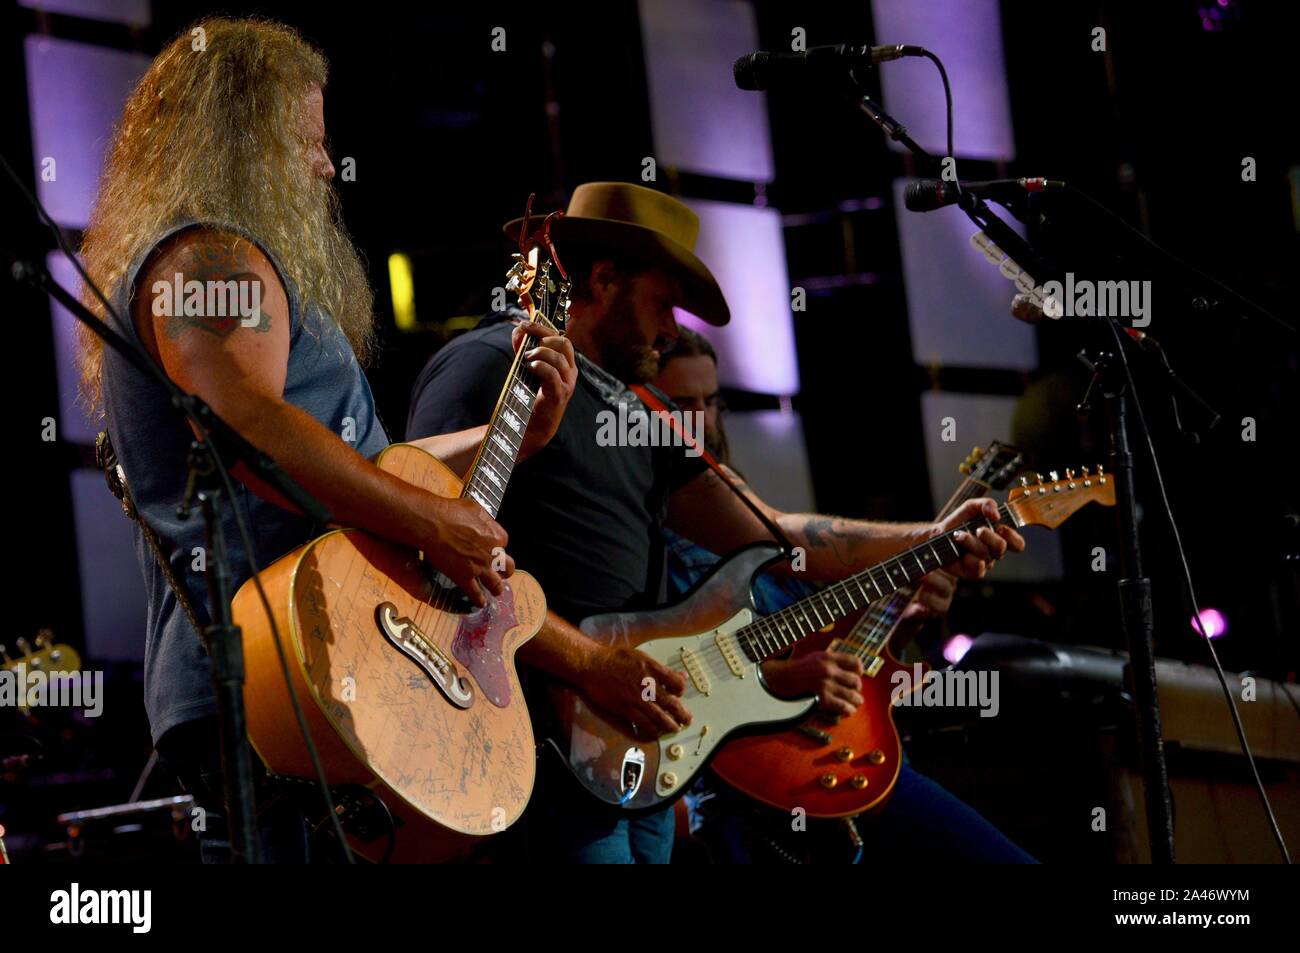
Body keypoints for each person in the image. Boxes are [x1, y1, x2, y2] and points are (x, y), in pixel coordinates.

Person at [76, 17, 578, 862]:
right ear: (241, 135)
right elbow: (258, 434)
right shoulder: (206, 262)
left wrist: (506, 438)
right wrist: (432, 522)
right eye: (305, 139)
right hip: (270, 670)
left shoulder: (240, 270)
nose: (322, 164)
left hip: (326, 658)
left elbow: (366, 465)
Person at [407, 181, 1025, 863]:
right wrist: (586, 663)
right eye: (663, 301)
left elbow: (780, 535)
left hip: (636, 740)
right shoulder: (493, 363)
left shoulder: (640, 412)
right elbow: (435, 549)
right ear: (605, 280)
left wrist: (933, 540)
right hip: (528, 731)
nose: (672, 328)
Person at [653, 328, 1036, 863]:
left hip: (852, 754)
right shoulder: (646, 539)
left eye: (710, 402)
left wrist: (908, 618)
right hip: (737, 785)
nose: (702, 421)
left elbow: (835, 643)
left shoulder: (757, 529)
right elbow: (661, 676)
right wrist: (782, 679)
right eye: (680, 405)